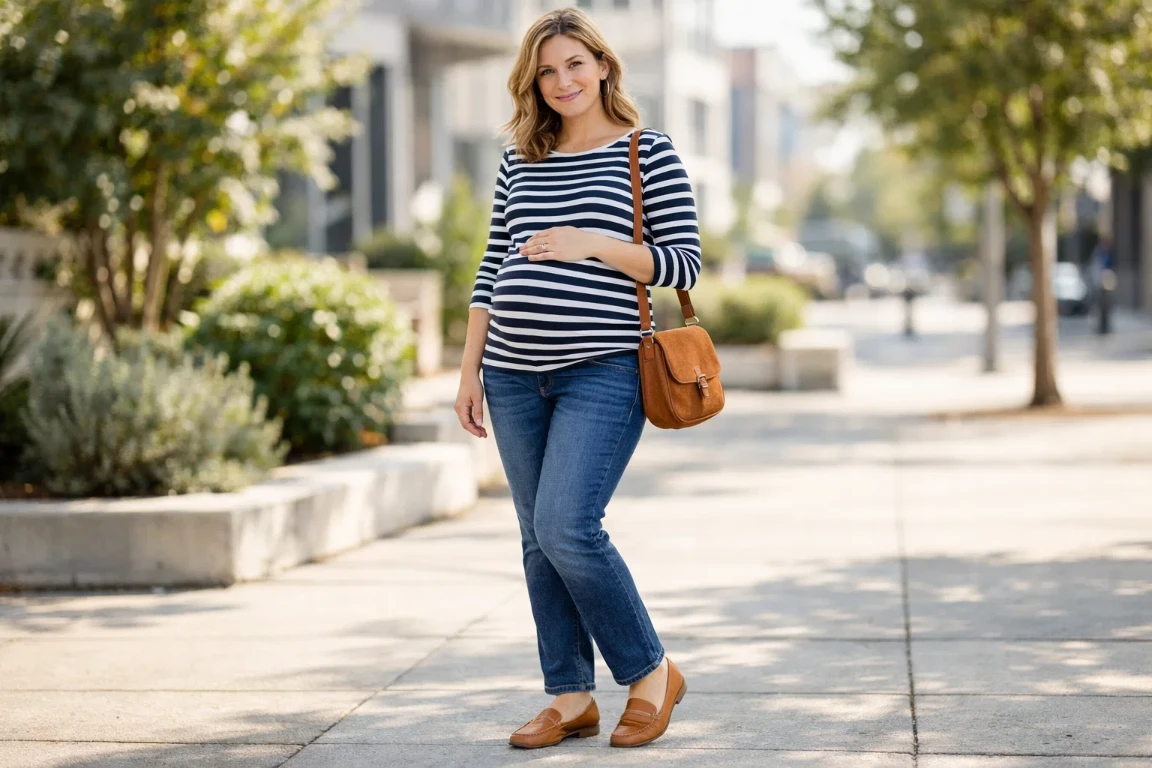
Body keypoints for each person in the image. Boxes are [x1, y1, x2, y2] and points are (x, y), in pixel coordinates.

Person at [453, 7, 701, 751]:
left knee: (568, 525)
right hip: (510, 374)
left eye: (574, 65)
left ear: (602, 66)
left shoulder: (645, 151)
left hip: (605, 369)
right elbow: (492, 269)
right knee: (536, 539)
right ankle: (568, 695)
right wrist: (469, 368)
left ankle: (651, 671)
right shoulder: (518, 159)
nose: (562, 82)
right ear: (533, 82)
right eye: (547, 71)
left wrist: (593, 244)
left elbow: (684, 264)